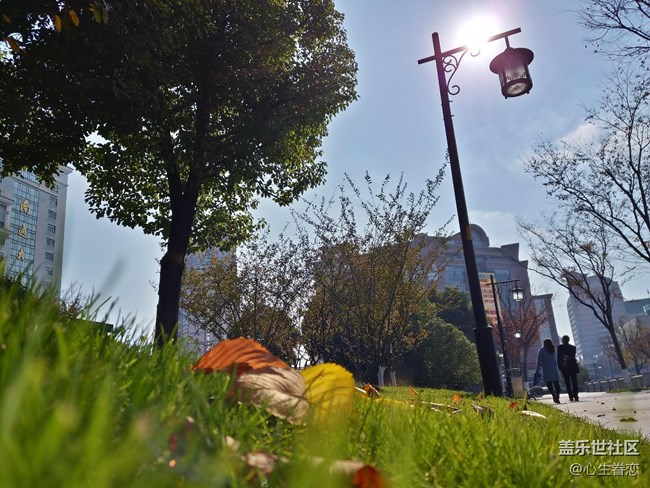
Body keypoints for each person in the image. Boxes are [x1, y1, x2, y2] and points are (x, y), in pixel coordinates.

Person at [536, 339, 562, 404]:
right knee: (557, 384)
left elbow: (539, 361)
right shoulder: (553, 349)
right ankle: (557, 396)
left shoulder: (542, 350)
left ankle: (553, 395)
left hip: (546, 369)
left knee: (549, 384)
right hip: (554, 368)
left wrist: (537, 370)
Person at [557, 335, 580, 401]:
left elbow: (558, 358)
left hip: (564, 367)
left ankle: (570, 396)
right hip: (573, 366)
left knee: (567, 382)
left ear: (563, 340)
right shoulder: (573, 347)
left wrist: (559, 367)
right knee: (574, 382)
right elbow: (572, 357)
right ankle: (576, 395)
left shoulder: (560, 348)